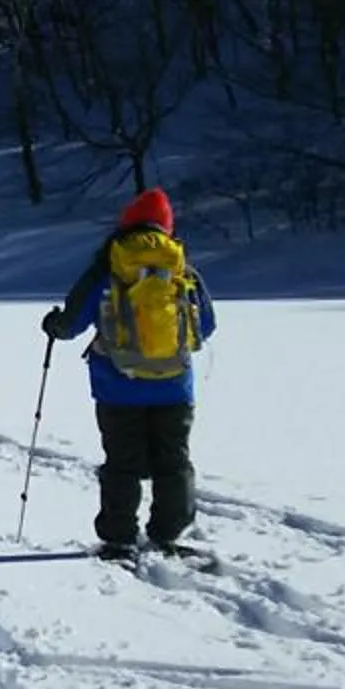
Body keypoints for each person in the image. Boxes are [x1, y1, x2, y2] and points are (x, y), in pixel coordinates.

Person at [43, 188, 217, 562]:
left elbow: (70, 325)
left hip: (117, 388)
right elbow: (207, 325)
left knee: (122, 462)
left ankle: (120, 539)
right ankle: (166, 535)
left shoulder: (109, 269)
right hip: (174, 388)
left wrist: (53, 324)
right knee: (173, 461)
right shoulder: (181, 270)